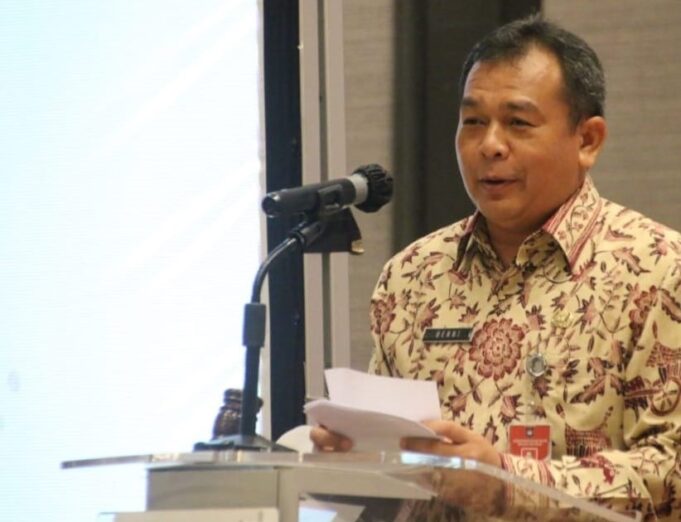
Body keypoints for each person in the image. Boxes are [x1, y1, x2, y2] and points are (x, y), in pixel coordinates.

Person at [311, 15, 681, 520]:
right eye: (473, 122)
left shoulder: (658, 270)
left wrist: (505, 484)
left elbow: (670, 471)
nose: (490, 145)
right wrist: (357, 460)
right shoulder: (412, 277)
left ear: (588, 140)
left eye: (518, 123)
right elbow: (399, 478)